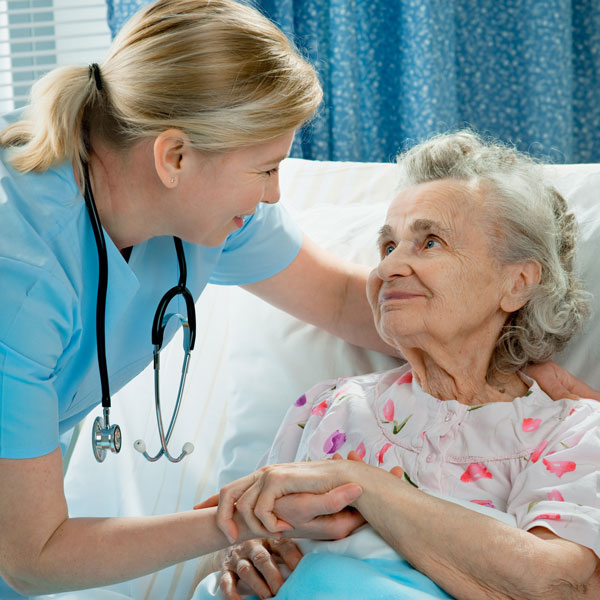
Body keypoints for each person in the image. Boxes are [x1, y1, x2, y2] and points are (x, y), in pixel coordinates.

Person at [0, 0, 390, 595]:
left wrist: (512, 352)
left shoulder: (203, 211)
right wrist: (240, 517)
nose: (274, 194)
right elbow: (32, 556)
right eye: (265, 170)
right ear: (174, 156)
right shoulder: (21, 276)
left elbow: (340, 301)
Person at [205, 132, 600, 599]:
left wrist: (362, 484)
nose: (389, 268)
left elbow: (557, 587)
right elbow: (238, 540)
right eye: (388, 247)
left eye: (430, 242)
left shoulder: (572, 430)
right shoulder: (329, 406)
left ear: (517, 284)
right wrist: (242, 557)